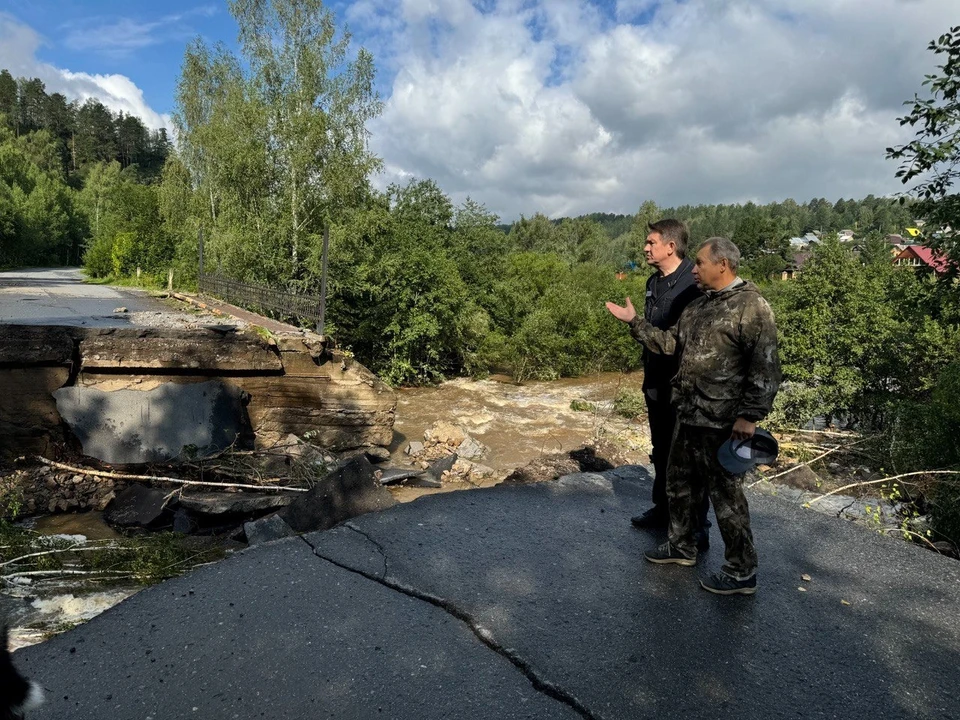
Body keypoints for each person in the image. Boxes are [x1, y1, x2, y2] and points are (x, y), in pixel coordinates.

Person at [606, 237, 781, 595]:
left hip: (723, 421)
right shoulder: (699, 306)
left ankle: (741, 571)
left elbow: (765, 368)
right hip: (688, 414)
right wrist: (634, 322)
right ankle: (681, 546)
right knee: (678, 484)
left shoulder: (752, 306)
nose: (695, 269)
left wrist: (749, 416)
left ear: (723, 265)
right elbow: (670, 344)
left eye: (700, 263)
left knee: (727, 499)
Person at [629, 219, 706, 541]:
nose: (645, 248)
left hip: (685, 386)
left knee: (688, 458)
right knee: (660, 449)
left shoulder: (694, 282)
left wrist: (633, 322)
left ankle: (697, 528)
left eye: (651, 243)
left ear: (671, 246)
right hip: (655, 380)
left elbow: (683, 341)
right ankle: (663, 510)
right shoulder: (653, 281)